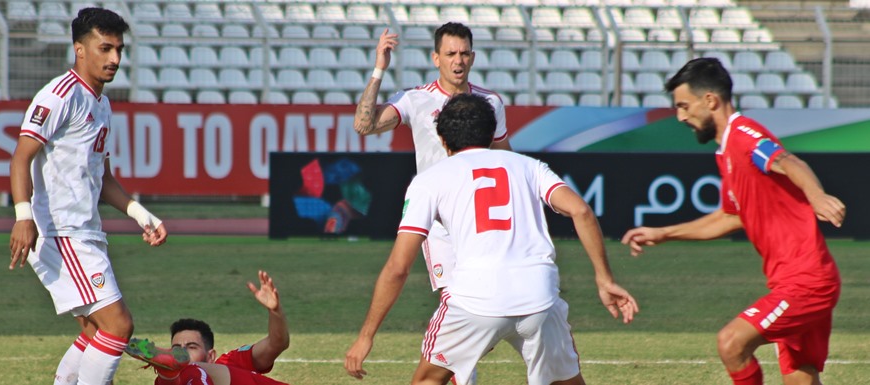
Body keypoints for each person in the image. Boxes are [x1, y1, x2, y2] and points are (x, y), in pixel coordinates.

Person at [345, 94, 638, 385]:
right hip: (539, 297)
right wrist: (604, 279)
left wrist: (365, 336)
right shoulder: (529, 166)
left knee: (429, 380)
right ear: (490, 134)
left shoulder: (429, 180)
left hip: (474, 301)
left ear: (443, 141)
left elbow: (398, 267)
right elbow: (581, 211)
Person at [621, 58, 844, 385]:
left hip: (806, 281)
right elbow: (729, 217)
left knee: (731, 343)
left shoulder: (743, 134)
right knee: (799, 377)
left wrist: (816, 195)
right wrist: (663, 233)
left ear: (710, 100)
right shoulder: (726, 152)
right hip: (791, 279)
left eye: (684, 106)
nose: (681, 116)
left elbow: (786, 160)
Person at [8, 7, 168, 385]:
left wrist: (140, 214)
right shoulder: (60, 96)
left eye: (119, 50)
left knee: (97, 332)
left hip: (84, 232)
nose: (114, 59)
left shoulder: (102, 103)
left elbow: (102, 177)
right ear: (80, 49)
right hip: (62, 234)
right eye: (105, 48)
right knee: (118, 325)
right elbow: (21, 158)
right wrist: (22, 215)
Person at [354, 22, 512, 294]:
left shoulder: (491, 103)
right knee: (453, 298)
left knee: (491, 296)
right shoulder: (415, 99)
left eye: (464, 53)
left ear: (472, 58)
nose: (458, 61)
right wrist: (380, 68)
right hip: (440, 220)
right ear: (436, 59)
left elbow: (505, 160)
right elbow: (363, 125)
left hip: (480, 218)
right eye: (450, 54)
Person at [127, 271, 289, 385]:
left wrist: (275, 311)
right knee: (177, 377)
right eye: (176, 349)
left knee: (189, 370)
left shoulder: (230, 361)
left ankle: (168, 372)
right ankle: (168, 373)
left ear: (210, 355)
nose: (182, 352)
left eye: (191, 347)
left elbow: (277, 343)